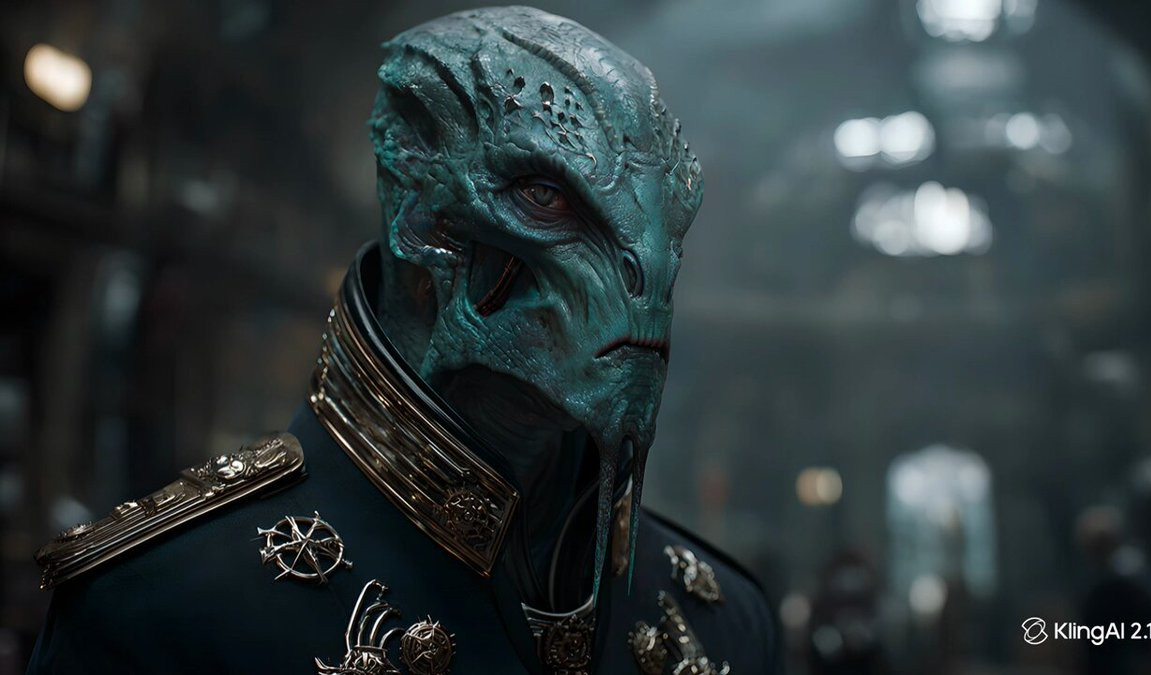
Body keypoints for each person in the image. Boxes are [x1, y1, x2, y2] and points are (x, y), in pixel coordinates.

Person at [26, 7, 782, 674]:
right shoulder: (166, 608)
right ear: (419, 208)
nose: (647, 277)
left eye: (667, 225)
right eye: (544, 196)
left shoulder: (724, 622)